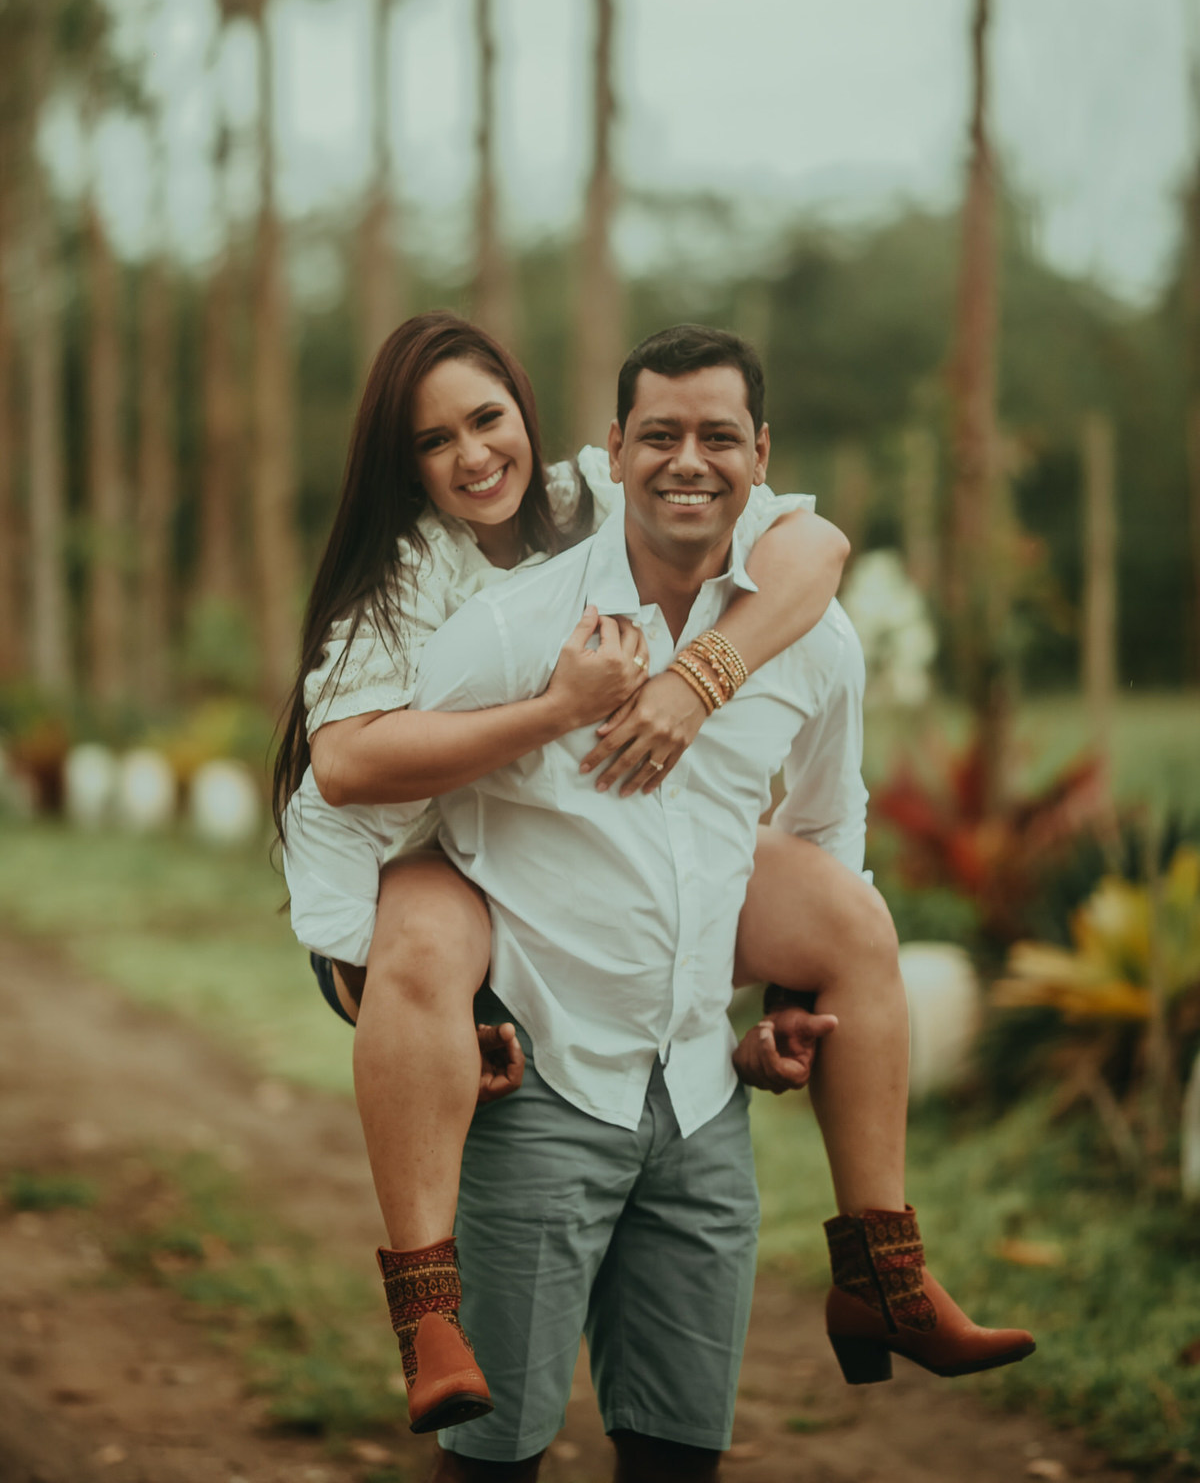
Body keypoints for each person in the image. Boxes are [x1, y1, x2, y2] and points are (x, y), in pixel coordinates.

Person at [403, 327, 1032, 1481]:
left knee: (680, 1458)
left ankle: (881, 1268)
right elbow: (400, 815)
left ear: (762, 455)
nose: (687, 460)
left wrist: (795, 996)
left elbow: (825, 832)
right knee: (495, 1463)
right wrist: (429, 982)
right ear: (612, 449)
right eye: (659, 435)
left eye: (717, 436)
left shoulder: (816, 641)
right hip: (544, 1087)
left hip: (701, 1108)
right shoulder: (509, 631)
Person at [272, 311, 854, 1432]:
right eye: (435, 442)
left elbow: (815, 550)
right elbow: (344, 767)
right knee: (432, 948)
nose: (474, 456)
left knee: (842, 920)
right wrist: (556, 709)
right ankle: (426, 1302)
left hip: (519, 861)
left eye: (487, 420)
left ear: (529, 417)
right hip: (402, 860)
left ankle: (884, 1258)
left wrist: (702, 675)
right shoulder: (398, 583)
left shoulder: (594, 494)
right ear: (406, 466)